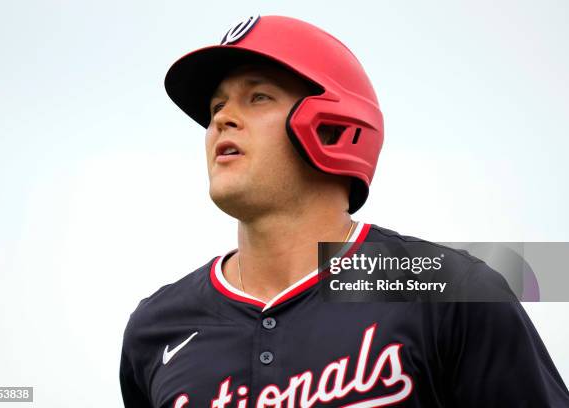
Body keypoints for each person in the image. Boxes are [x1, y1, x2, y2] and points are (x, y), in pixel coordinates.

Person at [120, 15, 569, 407]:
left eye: (258, 97)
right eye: (217, 106)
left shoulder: (445, 288)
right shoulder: (157, 326)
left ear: (336, 126)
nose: (222, 119)